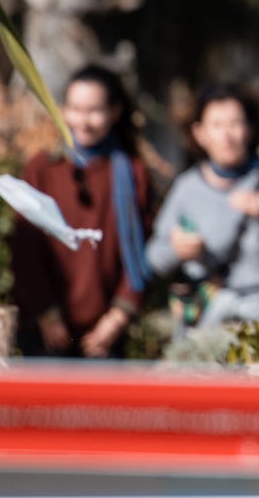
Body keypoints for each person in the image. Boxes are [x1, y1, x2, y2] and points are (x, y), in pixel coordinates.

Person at [10, 66, 156, 358]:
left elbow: (146, 250)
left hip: (106, 335)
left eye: (94, 110)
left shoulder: (133, 173)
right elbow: (26, 249)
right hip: (45, 333)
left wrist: (117, 317)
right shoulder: (42, 168)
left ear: (115, 112)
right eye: (75, 109)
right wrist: (47, 313)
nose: (83, 121)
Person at [147, 82, 259, 327]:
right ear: (199, 133)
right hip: (209, 319)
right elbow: (153, 259)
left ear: (251, 128)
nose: (226, 135)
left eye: (235, 123)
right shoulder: (187, 187)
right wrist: (177, 250)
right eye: (216, 125)